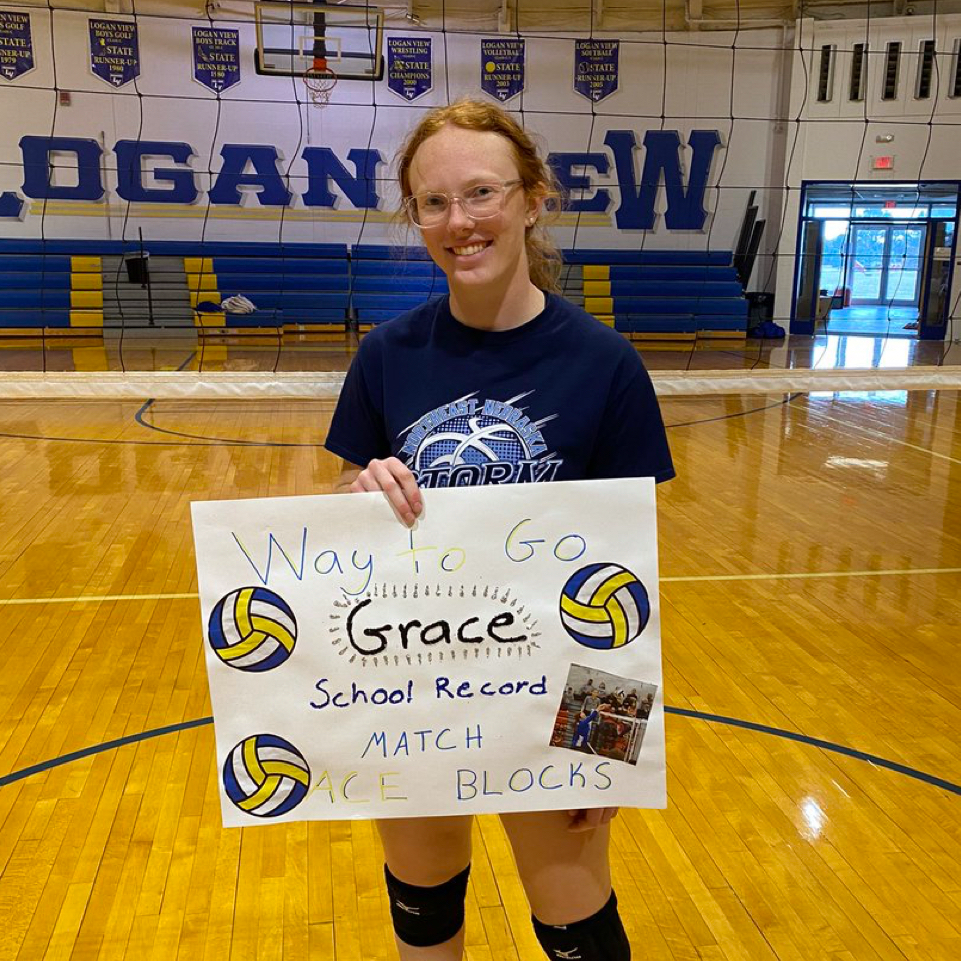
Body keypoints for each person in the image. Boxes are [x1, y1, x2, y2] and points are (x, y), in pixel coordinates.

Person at [325, 99, 674, 961]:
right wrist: (359, 487)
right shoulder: (386, 354)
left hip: (552, 699)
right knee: (422, 903)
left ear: (533, 198)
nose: (458, 222)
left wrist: (606, 744)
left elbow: (620, 574)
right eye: (433, 202)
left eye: (479, 192)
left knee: (574, 920)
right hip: (412, 688)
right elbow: (341, 511)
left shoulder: (604, 364)